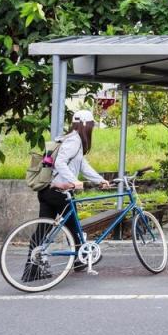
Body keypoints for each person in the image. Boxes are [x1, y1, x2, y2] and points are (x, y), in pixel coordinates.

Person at [37, 109, 111, 269]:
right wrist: (75, 181)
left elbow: (83, 166)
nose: (92, 128)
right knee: (73, 227)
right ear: (85, 125)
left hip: (48, 190)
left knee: (44, 230)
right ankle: (80, 259)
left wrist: (100, 180)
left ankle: (32, 269)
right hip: (59, 192)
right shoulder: (74, 140)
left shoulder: (70, 138)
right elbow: (60, 162)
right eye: (91, 125)